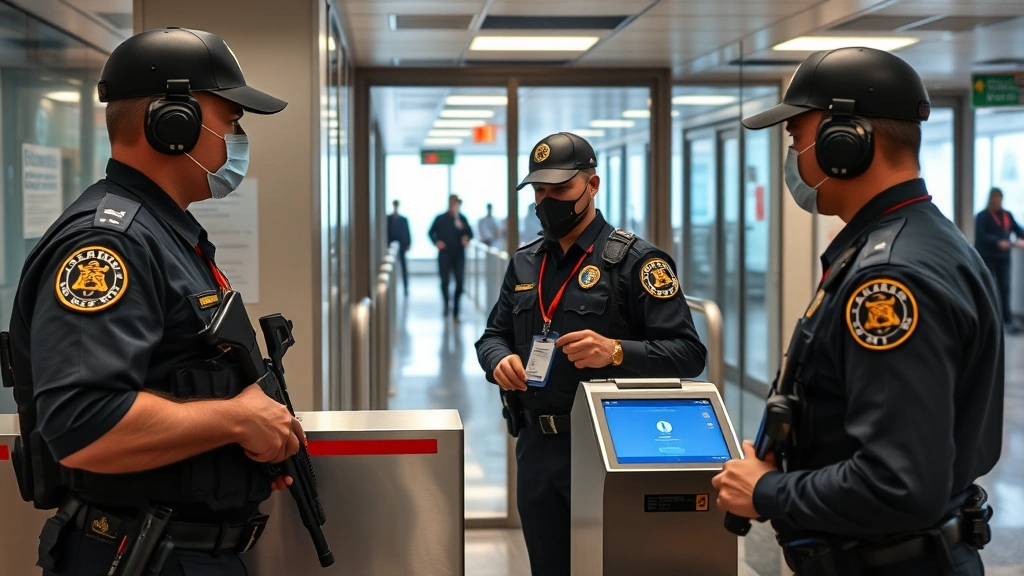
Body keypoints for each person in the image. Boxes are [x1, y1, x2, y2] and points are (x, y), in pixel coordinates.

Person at [3, 28, 302, 576]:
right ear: (173, 124)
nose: (237, 139)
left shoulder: (166, 234)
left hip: (179, 551)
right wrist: (236, 420)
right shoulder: (107, 243)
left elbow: (173, 377)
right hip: (137, 555)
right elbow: (82, 423)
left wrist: (245, 447)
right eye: (230, 121)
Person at [713, 48, 1001, 576]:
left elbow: (899, 482)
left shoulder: (890, 279)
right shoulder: (921, 241)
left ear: (842, 142)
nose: (795, 156)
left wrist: (767, 491)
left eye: (798, 138)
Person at [475, 132, 707, 576]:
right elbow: (492, 335)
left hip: (609, 448)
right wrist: (498, 360)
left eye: (560, 189)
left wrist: (616, 350)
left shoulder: (637, 261)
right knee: (548, 566)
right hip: (537, 445)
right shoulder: (525, 263)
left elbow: (688, 353)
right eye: (539, 191)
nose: (547, 201)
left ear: (593, 185)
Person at [975, 187, 1024, 332]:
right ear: (990, 198)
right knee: (988, 288)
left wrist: (1019, 239)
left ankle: (1007, 321)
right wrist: (997, 241)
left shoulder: (1007, 215)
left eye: (999, 197)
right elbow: (981, 236)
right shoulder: (983, 216)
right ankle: (986, 321)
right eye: (995, 197)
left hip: (1004, 258)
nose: (997, 200)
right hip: (988, 258)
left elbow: (1017, 230)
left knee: (1005, 288)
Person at [428, 194, 473, 320]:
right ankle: (447, 305)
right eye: (453, 203)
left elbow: (470, 233)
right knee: (445, 281)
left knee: (459, 282)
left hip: (459, 255)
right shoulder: (440, 218)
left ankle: (456, 309)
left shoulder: (462, 219)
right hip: (444, 255)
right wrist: (436, 242)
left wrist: (466, 239)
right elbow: (431, 232)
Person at [388, 199, 412, 295]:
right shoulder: (388, 218)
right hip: (390, 246)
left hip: (402, 246)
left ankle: (406, 288)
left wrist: (408, 244)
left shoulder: (403, 219)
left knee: (403, 267)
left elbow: (407, 232)